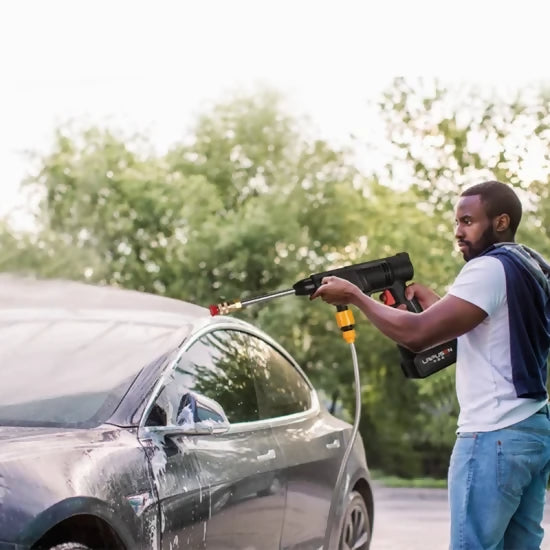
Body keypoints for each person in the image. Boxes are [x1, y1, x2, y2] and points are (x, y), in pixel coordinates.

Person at [311, 180, 550, 550]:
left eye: (468, 220)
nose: (458, 231)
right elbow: (483, 331)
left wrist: (356, 296)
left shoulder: (487, 269)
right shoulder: (528, 264)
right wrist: (438, 302)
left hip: (492, 435)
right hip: (531, 431)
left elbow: (419, 335)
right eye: (456, 222)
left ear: (501, 221)